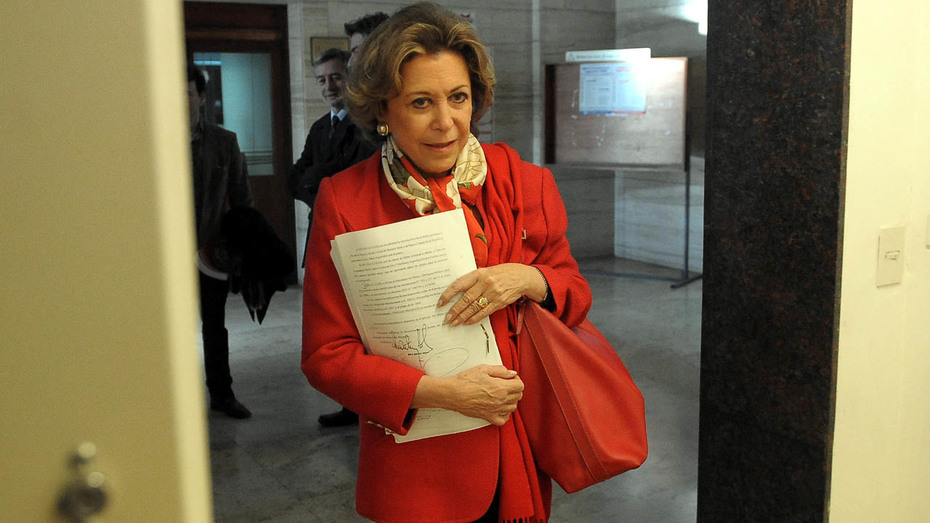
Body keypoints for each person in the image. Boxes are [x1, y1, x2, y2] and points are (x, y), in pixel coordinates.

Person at [300, 3, 592, 521]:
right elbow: (326, 355)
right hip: (417, 466)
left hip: (515, 451)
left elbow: (575, 294)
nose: (446, 122)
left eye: (458, 97)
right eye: (420, 102)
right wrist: (440, 393)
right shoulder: (345, 200)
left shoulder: (525, 183)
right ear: (383, 111)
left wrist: (528, 278)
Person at [290, 47, 377, 427]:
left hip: (356, 238)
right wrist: (325, 188)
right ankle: (349, 401)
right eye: (321, 79)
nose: (329, 86)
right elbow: (295, 178)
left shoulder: (364, 127)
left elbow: (352, 177)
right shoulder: (318, 128)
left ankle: (369, 400)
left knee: (363, 324)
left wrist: (320, 180)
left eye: (336, 77)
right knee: (336, 324)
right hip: (323, 234)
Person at [188, 64, 254, 419]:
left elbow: (242, 201)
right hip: (162, 257)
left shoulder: (223, 141)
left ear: (200, 97)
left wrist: (241, 252)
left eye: (185, 94)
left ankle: (222, 394)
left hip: (209, 252)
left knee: (214, 326)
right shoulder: (153, 139)